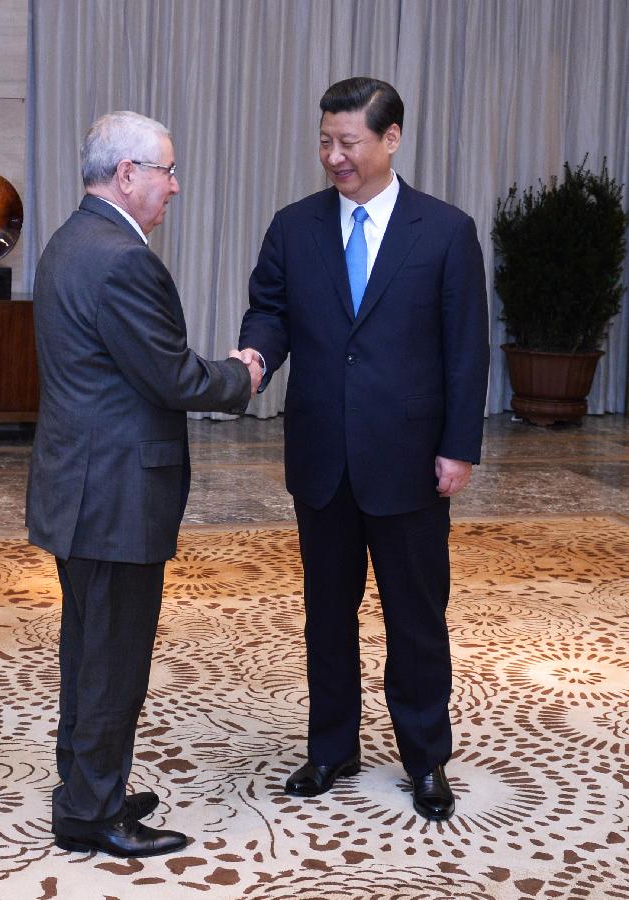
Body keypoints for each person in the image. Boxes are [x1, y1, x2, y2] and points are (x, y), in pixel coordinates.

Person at [239, 77, 489, 821]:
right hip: (321, 456)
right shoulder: (293, 227)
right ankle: (331, 747)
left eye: (348, 142)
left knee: (416, 616)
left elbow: (465, 350)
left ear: (391, 139)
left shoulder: (445, 231)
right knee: (327, 613)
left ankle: (425, 759)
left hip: (410, 460)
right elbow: (270, 310)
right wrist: (253, 358)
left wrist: (458, 447)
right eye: (325, 141)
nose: (334, 157)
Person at [26, 110, 261, 857]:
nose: (176, 185)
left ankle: (86, 787)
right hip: (114, 496)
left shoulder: (70, 240)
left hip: (82, 487)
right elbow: (171, 373)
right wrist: (243, 376)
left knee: (90, 651)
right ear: (127, 174)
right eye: (166, 170)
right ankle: (93, 816)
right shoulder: (121, 259)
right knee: (112, 662)